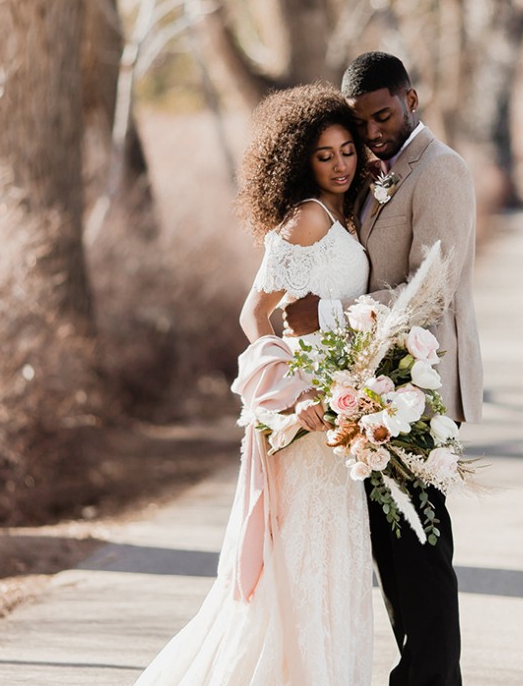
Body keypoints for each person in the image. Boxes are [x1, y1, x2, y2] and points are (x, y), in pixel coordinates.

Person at [135, 82, 375, 685]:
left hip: (343, 418)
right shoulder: (307, 217)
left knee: (334, 560)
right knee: (301, 562)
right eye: (325, 155)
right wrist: (300, 394)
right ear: (301, 160)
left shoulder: (342, 213)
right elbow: (255, 314)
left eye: (347, 150)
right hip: (313, 418)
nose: (340, 164)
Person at [284, 51, 483, 686]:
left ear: (411, 101)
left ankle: (431, 678)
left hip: (423, 385)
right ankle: (417, 673)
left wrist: (332, 314)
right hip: (378, 384)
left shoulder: (441, 171)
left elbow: (431, 290)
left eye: (383, 114)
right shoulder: (381, 172)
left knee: (421, 549)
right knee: (393, 547)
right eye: (362, 121)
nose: (372, 131)